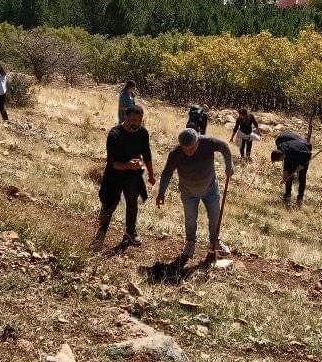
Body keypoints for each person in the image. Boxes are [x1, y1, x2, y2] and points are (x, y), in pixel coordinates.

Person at [156, 128, 233, 260]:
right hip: (188, 192)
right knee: (190, 219)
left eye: (192, 148)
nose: (189, 152)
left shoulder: (208, 143)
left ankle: (215, 241)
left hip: (210, 188)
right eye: (185, 149)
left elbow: (224, 147)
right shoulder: (175, 153)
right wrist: (161, 192)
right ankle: (190, 243)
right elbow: (167, 172)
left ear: (198, 141)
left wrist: (229, 164)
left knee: (215, 217)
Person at [94, 105, 155, 248]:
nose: (136, 123)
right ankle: (101, 233)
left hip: (133, 175)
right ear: (126, 117)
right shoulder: (115, 134)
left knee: (132, 204)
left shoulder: (143, 133)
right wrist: (128, 165)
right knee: (109, 205)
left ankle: (130, 232)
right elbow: (112, 162)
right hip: (114, 175)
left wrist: (151, 175)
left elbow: (147, 154)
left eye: (139, 121)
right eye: (133, 120)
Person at [271, 130, 312, 206]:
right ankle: (287, 196)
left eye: (279, 160)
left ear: (281, 156)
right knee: (288, 176)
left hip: (305, 153)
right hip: (294, 153)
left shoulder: (294, 150)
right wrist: (285, 177)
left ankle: (300, 199)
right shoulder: (282, 148)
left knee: (301, 178)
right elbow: (286, 166)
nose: (280, 161)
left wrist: (302, 165)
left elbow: (308, 155)